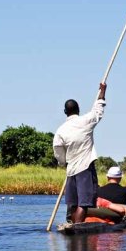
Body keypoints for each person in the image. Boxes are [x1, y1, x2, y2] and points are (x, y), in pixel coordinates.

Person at [53, 83, 107, 224]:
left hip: (71, 170)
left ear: (65, 112)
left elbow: (58, 151)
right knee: (84, 203)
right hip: (85, 168)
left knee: (72, 204)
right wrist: (102, 93)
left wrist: (63, 162)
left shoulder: (60, 130)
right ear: (78, 110)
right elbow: (98, 111)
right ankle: (76, 227)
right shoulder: (85, 121)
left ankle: (71, 228)